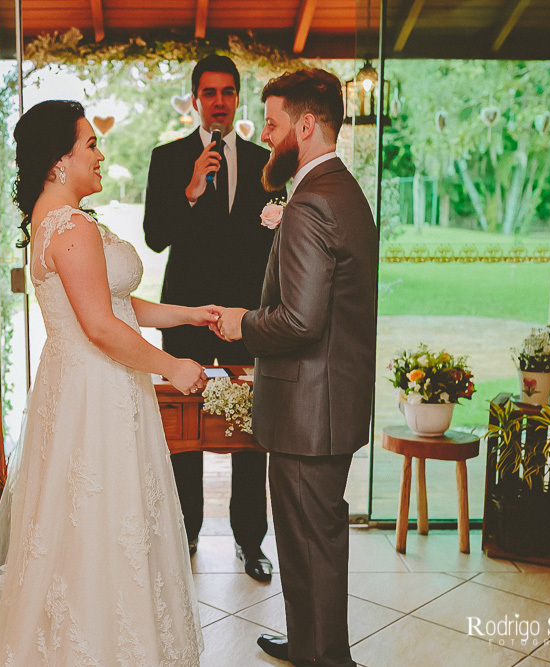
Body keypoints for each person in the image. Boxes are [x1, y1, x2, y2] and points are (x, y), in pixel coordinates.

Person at [0, 100, 215, 665]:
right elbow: (98, 325)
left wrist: (185, 314)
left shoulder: (61, 219)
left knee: (92, 517)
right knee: (100, 516)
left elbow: (114, 302)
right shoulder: (68, 226)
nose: (100, 153)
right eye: (90, 144)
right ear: (58, 161)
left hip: (89, 383)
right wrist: (173, 367)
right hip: (97, 389)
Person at [213, 69, 379, 667]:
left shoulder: (311, 203)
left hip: (310, 409)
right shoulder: (343, 190)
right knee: (315, 541)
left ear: (306, 125)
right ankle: (313, 641)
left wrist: (242, 324)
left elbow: (300, 321)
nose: (266, 133)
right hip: (330, 402)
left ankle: (325, 657)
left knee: (310, 543)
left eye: (275, 123)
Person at [143, 55, 285, 582]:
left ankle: (251, 542)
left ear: (236, 97)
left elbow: (274, 241)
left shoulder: (265, 160)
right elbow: (156, 235)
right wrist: (191, 190)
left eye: (228, 92)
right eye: (210, 92)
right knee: (184, 429)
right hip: (184, 314)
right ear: (196, 99)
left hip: (248, 316)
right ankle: (186, 534)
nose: (219, 101)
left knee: (251, 427)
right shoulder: (168, 158)